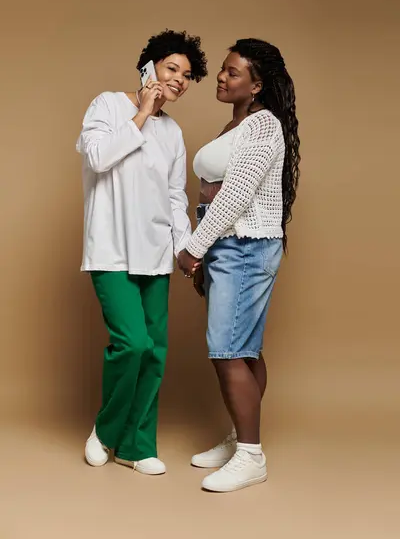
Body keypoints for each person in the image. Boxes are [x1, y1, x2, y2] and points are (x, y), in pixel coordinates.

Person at [77, 30, 207, 475]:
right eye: (172, 68)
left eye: (187, 75)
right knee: (131, 343)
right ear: (148, 67)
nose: (180, 80)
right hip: (111, 249)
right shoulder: (108, 106)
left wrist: (185, 248)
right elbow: (97, 157)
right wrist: (143, 112)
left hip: (154, 254)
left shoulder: (173, 133)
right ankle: (106, 431)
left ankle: (136, 446)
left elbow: (174, 196)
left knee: (154, 351)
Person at [178, 38, 300, 492]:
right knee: (242, 348)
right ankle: (238, 441)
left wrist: (194, 247)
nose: (222, 78)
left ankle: (251, 456)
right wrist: (207, 249)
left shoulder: (263, 125)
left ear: (257, 84)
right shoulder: (237, 124)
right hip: (227, 243)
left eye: (233, 72)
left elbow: (235, 194)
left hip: (244, 244)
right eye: (223, 70)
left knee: (228, 349)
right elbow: (214, 193)